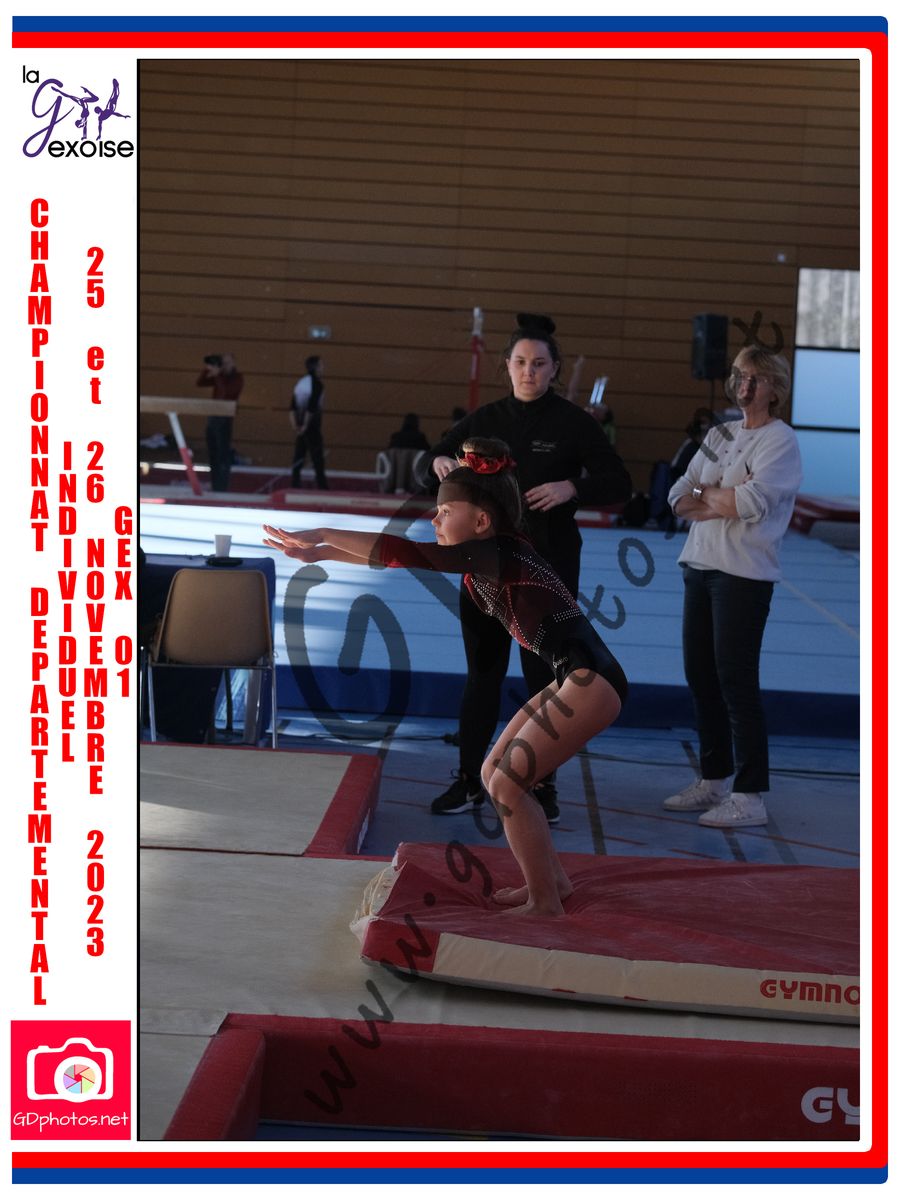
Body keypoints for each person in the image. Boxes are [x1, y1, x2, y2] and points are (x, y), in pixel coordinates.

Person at [262, 438, 628, 916]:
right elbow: (401, 555)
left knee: (507, 784)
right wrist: (324, 552)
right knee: (494, 775)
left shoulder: (498, 552)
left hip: (590, 680)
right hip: (576, 678)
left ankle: (544, 904)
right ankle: (551, 884)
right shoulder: (487, 560)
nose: (434, 520)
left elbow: (402, 553)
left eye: (445, 511)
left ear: (481, 521)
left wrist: (323, 535)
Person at [420, 313, 632, 823]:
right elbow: (434, 455)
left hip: (547, 569)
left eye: (539, 364)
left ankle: (541, 783)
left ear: (555, 368)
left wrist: (572, 487)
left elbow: (619, 482)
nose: (529, 372)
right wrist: (438, 464)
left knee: (547, 680)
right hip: (484, 568)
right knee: (482, 673)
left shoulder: (574, 423)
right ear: (507, 366)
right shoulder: (487, 418)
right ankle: (470, 778)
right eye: (520, 363)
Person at [665, 345, 802, 828]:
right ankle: (715, 778)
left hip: (743, 575)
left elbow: (750, 504)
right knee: (700, 676)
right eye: (741, 375)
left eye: (756, 379)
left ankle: (750, 796)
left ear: (774, 390)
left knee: (736, 682)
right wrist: (715, 497)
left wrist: (709, 496)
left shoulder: (780, 441)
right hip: (698, 565)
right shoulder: (718, 434)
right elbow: (677, 494)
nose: (745, 385)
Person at [196, 352, 243, 492]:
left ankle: (222, 486)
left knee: (223, 453)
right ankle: (215, 483)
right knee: (213, 452)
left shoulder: (237, 378)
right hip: (213, 416)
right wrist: (208, 369)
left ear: (233, 363)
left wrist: (218, 375)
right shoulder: (220, 376)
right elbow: (200, 383)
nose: (225, 366)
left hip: (225, 418)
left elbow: (226, 393)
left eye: (227, 363)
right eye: (223, 363)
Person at [290, 356, 329, 489]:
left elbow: (292, 407)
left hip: (300, 425)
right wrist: (305, 425)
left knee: (299, 456)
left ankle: (295, 483)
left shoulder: (301, 383)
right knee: (317, 457)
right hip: (311, 426)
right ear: (315, 367)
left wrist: (296, 426)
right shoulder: (317, 384)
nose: (323, 368)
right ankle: (322, 486)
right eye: (321, 365)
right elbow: (312, 408)